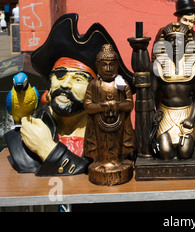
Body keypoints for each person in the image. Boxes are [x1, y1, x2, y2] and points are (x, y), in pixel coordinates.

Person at [5, 13, 133, 176]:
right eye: (59, 75)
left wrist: (47, 149)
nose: (65, 83)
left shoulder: (112, 140)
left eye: (78, 79)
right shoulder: (21, 140)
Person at [83, 44, 135, 185]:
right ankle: (100, 162)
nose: (108, 68)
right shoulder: (94, 85)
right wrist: (102, 106)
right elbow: (87, 106)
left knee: (118, 146)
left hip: (119, 126)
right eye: (104, 65)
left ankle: (118, 161)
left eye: (111, 64)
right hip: (99, 127)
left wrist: (116, 105)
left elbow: (129, 104)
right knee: (101, 145)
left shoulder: (121, 83)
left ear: (117, 65)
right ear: (97, 66)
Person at [151, 22, 195, 160]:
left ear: (186, 42)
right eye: (171, 39)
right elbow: (153, 95)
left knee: (185, 153)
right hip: (165, 113)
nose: (175, 43)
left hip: (187, 113)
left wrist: (192, 118)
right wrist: (153, 117)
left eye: (179, 39)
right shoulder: (157, 65)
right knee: (165, 153)